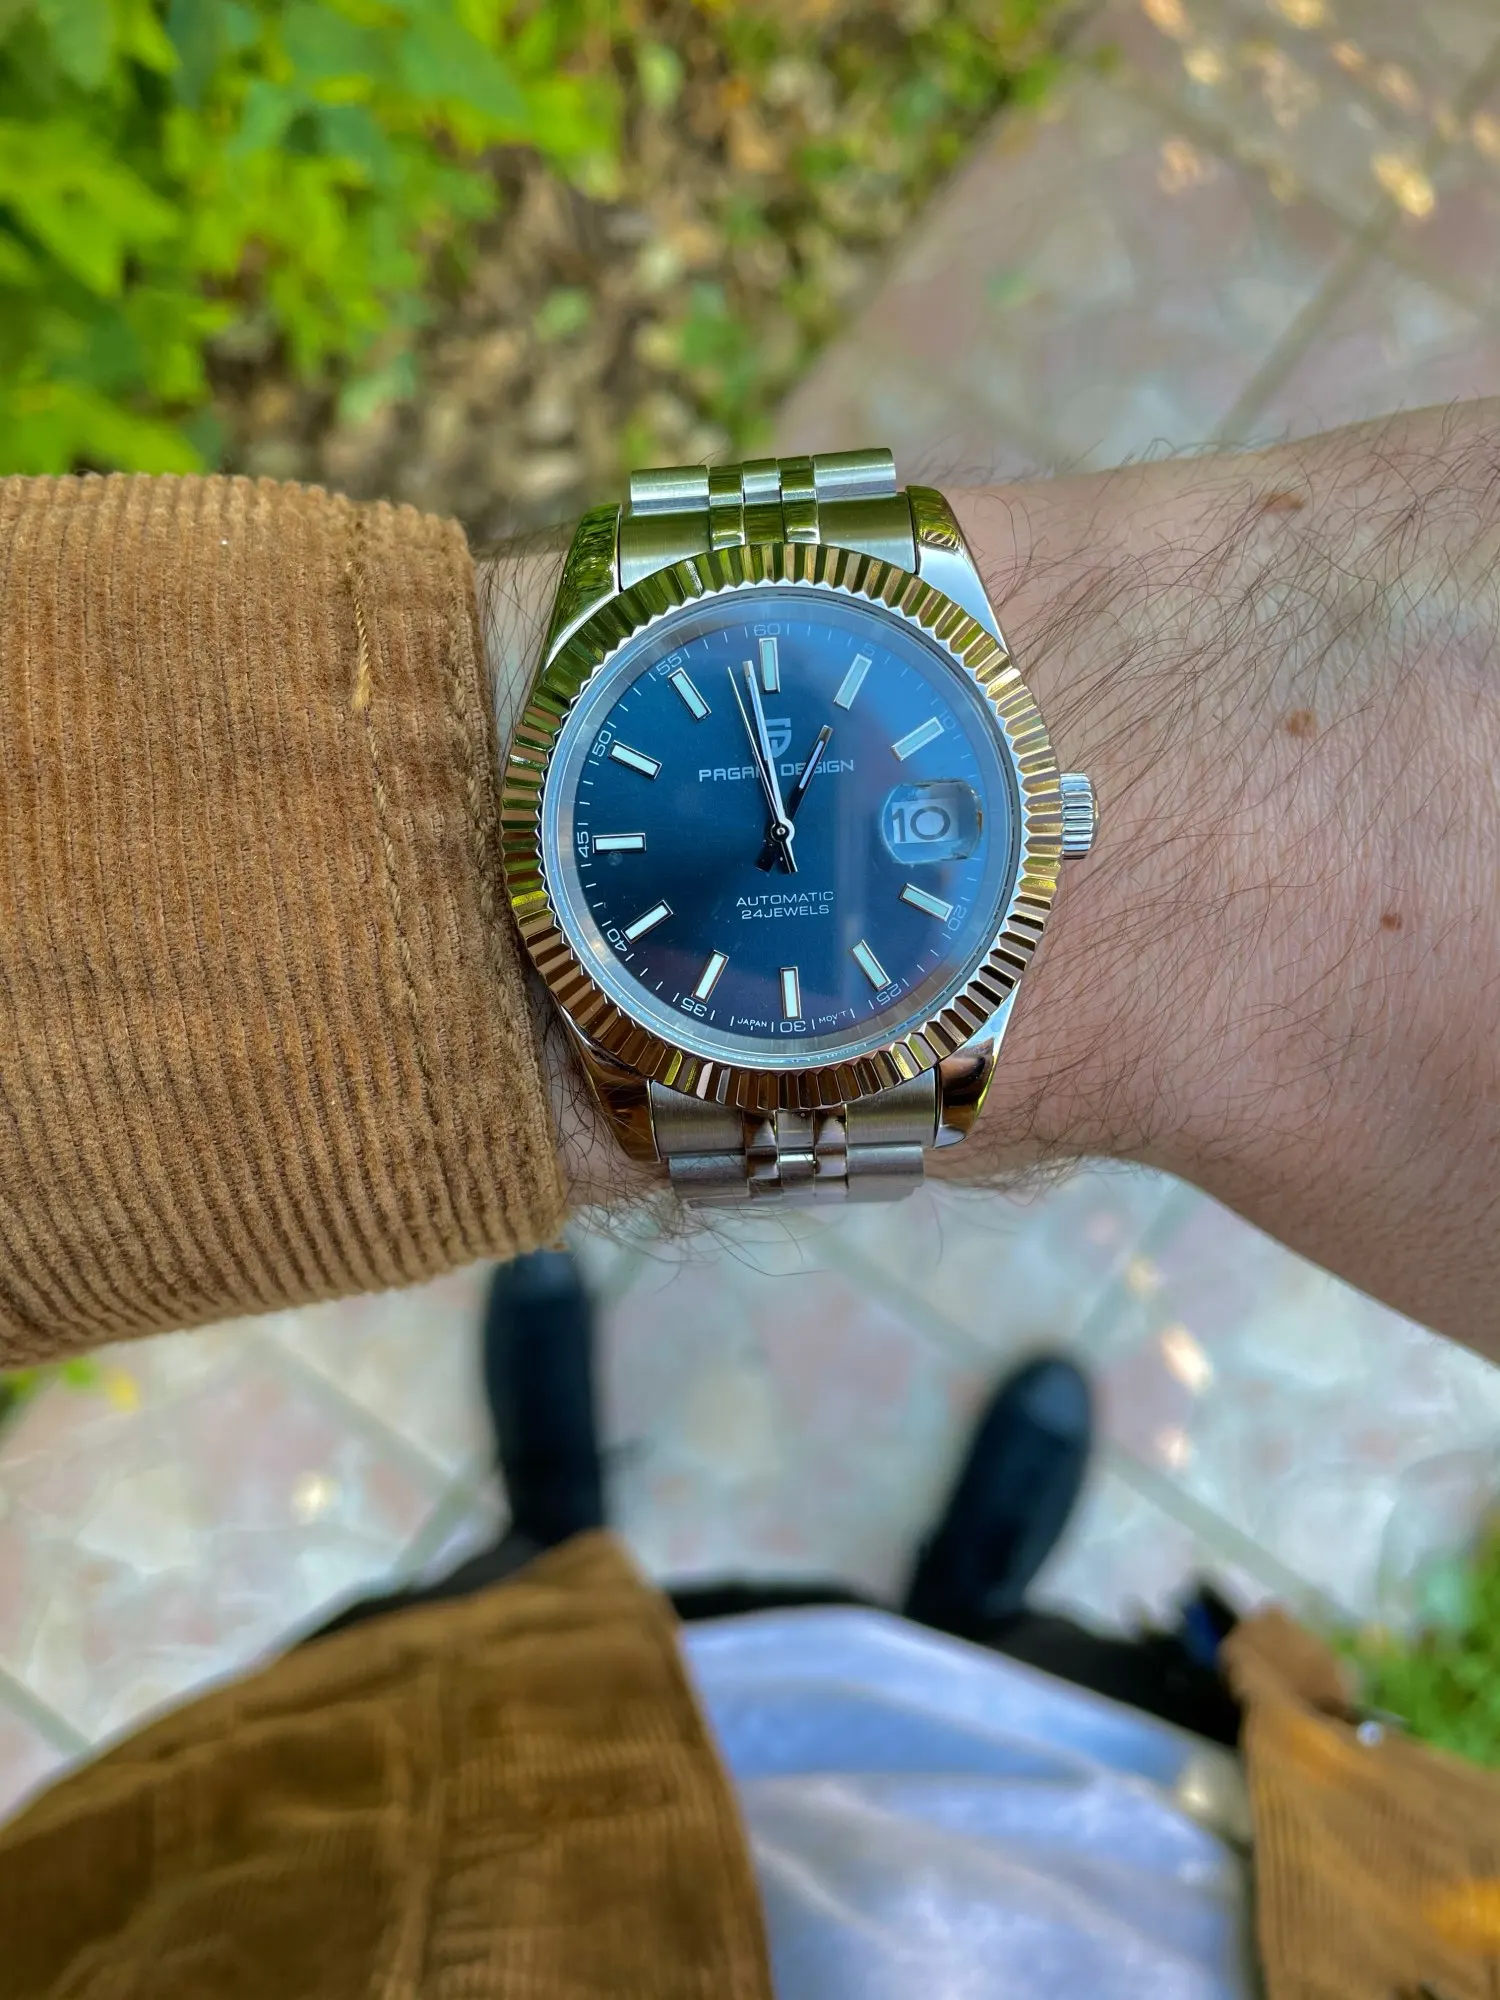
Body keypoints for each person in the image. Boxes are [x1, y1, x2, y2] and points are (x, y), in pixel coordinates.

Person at [0, 398, 1495, 1997]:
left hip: (401, 1870)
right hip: (1226, 1812)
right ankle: (960, 1620)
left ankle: (553, 1549)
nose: (787, 832)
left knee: (496, 1651)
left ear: (1053, 827)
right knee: (1007, 1684)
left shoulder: (958, 883)